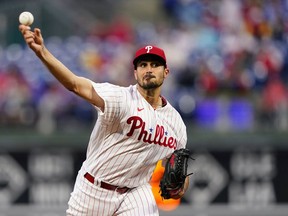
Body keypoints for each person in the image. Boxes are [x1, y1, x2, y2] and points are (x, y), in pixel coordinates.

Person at [19, 24, 189, 216]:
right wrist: (43, 53)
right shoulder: (120, 98)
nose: (148, 69)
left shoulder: (176, 123)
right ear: (135, 73)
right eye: (143, 65)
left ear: (166, 71)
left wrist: (181, 184)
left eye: (154, 64)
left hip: (136, 192)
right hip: (94, 188)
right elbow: (74, 84)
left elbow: (176, 168)